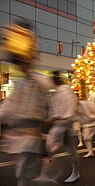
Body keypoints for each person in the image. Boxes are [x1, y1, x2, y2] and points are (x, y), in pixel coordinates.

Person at [0, 20, 54, 186]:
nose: (20, 65)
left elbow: (47, 86)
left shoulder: (38, 79)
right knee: (24, 176)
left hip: (32, 137)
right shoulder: (22, 84)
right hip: (21, 138)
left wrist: (28, 65)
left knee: (26, 176)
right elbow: (7, 108)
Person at [44, 71, 80, 183]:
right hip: (61, 125)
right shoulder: (58, 93)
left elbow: (67, 113)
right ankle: (50, 172)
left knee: (67, 150)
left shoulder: (66, 92)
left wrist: (54, 117)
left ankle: (74, 172)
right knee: (53, 148)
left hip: (64, 125)